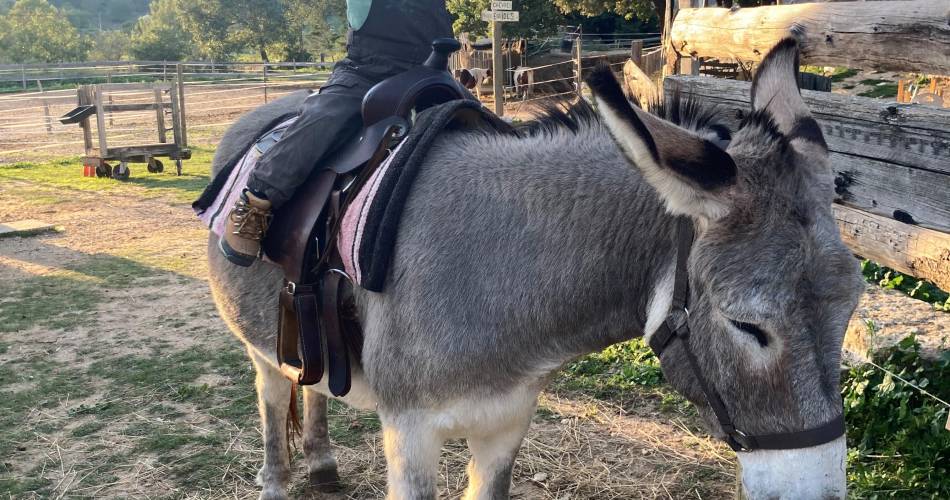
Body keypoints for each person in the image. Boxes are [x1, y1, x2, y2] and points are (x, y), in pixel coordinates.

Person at [220, 0, 454, 266]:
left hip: (433, 77)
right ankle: (256, 201)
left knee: (487, 125)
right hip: (368, 74)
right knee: (324, 121)